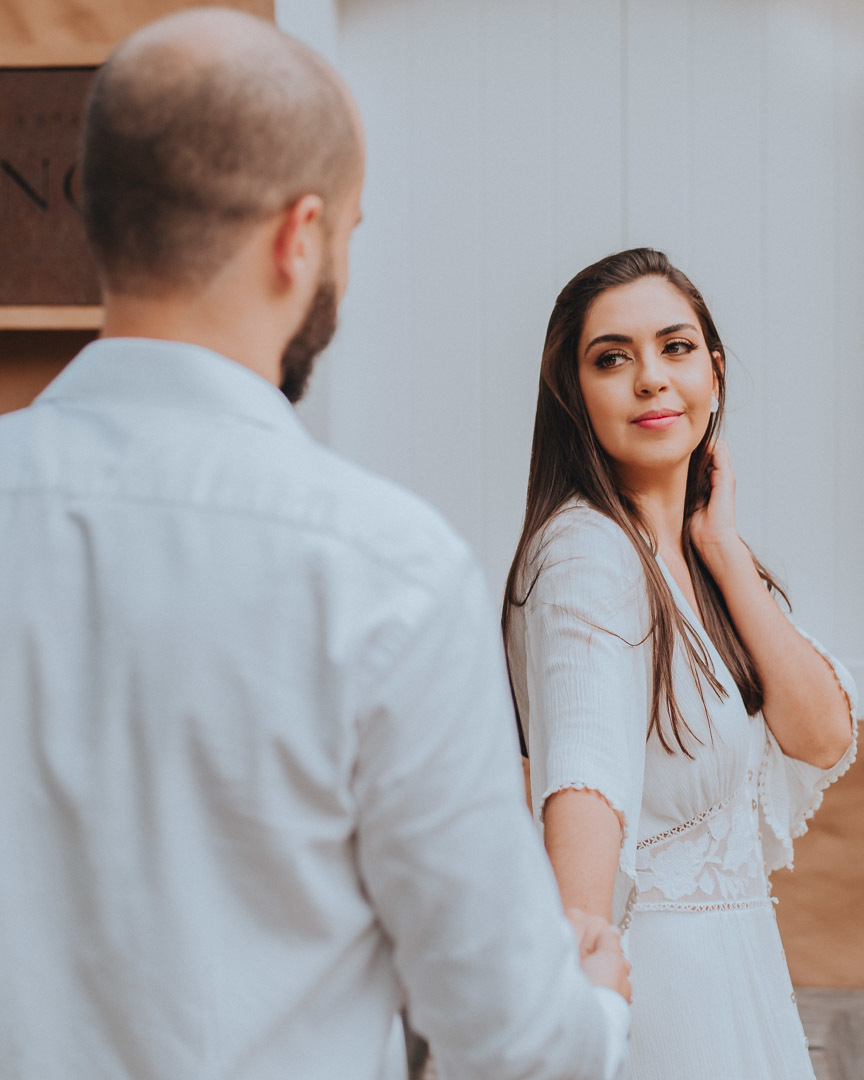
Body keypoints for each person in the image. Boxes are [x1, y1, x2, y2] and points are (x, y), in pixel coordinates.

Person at [0, 9, 631, 1080]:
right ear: (302, 238)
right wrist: (597, 1010)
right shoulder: (388, 574)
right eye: (348, 231)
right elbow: (513, 1044)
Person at [503, 248, 857, 1080]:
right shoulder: (586, 557)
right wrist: (579, 962)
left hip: (740, 973)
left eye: (676, 347)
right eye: (612, 358)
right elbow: (583, 772)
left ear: (715, 372)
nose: (651, 379)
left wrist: (724, 551)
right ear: (572, 393)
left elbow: (822, 733)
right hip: (665, 1000)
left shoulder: (695, 558)